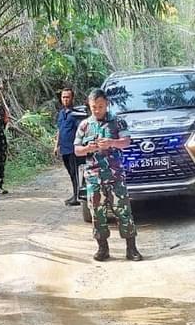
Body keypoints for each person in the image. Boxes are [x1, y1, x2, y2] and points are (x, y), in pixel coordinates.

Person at [74, 88, 142, 262]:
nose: (97, 110)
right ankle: (102, 249)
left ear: (107, 104)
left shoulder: (118, 123)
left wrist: (111, 142)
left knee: (123, 211)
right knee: (97, 214)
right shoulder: (84, 125)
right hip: (94, 177)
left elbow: (127, 142)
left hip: (115, 176)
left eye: (100, 106)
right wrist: (89, 148)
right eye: (93, 107)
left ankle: (131, 249)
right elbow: (76, 150)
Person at [53, 87, 82, 206]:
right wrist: (56, 146)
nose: (65, 99)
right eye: (63, 97)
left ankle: (77, 197)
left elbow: (81, 130)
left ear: (72, 98)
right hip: (64, 149)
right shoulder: (61, 113)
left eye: (67, 97)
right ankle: (75, 194)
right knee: (71, 173)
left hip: (73, 149)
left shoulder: (76, 114)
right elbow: (59, 130)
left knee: (75, 173)